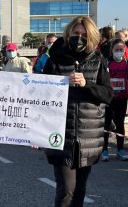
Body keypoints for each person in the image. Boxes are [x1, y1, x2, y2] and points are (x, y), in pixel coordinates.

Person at [43, 16, 113, 206]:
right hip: (61, 135)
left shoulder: (98, 60)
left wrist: (86, 84)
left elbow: (107, 95)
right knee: (66, 190)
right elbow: (42, 94)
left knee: (80, 190)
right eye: (76, 33)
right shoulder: (54, 60)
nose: (79, 37)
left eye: (83, 34)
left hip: (88, 136)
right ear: (68, 33)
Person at [102, 38, 128, 162]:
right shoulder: (106, 62)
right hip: (109, 99)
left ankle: (120, 150)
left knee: (120, 124)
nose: (119, 52)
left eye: (121, 50)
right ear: (112, 50)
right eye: (117, 50)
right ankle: (104, 150)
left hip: (122, 98)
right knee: (107, 124)